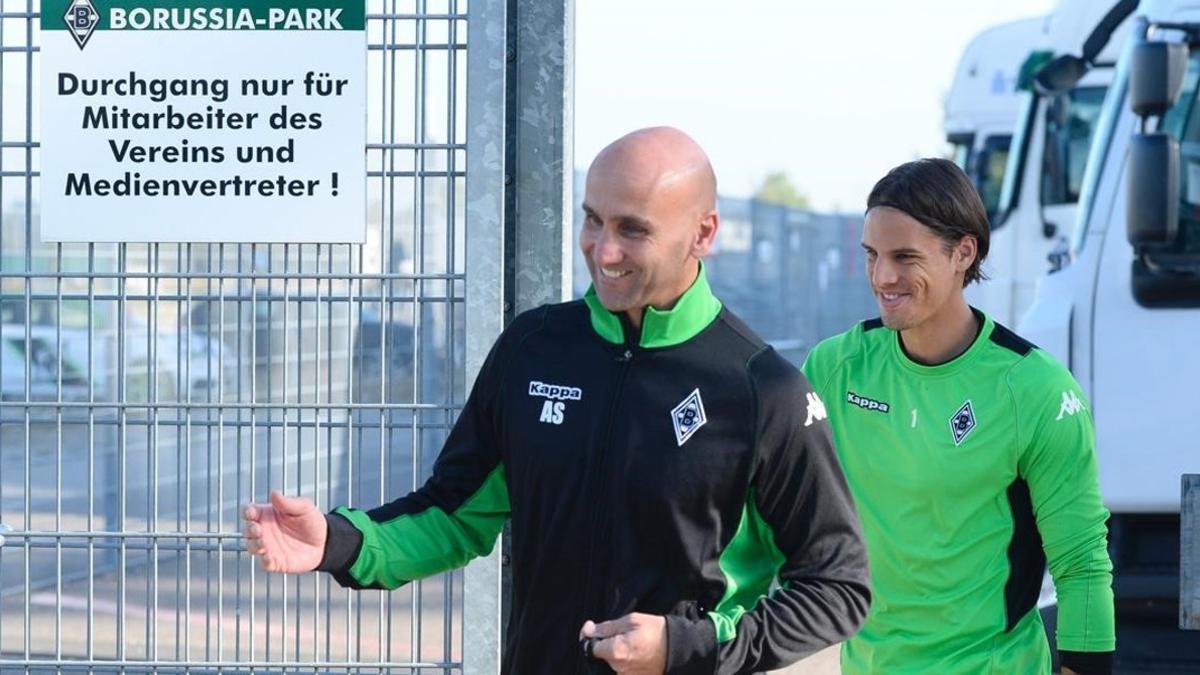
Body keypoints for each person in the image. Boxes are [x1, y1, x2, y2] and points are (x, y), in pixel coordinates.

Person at [242, 127, 870, 674]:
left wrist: (689, 648)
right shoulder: (534, 349)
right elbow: (456, 512)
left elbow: (837, 585)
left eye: (633, 229)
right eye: (593, 218)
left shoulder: (763, 390)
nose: (604, 249)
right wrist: (339, 542)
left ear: (702, 233)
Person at [802, 158, 1114, 674]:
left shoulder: (1035, 390)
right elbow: (770, 518)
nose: (883, 276)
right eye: (871, 255)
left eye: (904, 257)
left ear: (963, 253)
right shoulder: (835, 369)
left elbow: (1081, 564)